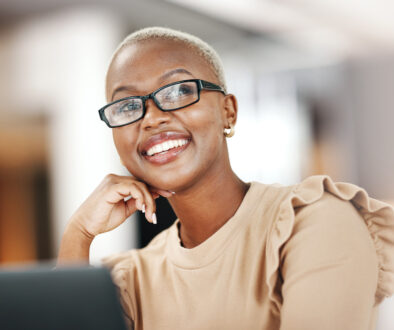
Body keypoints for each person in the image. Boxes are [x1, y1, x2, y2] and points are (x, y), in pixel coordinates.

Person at [58, 27, 394, 330]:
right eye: (128, 107)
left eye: (177, 92)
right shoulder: (131, 282)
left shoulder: (313, 222)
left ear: (228, 111)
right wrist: (79, 233)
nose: (152, 118)